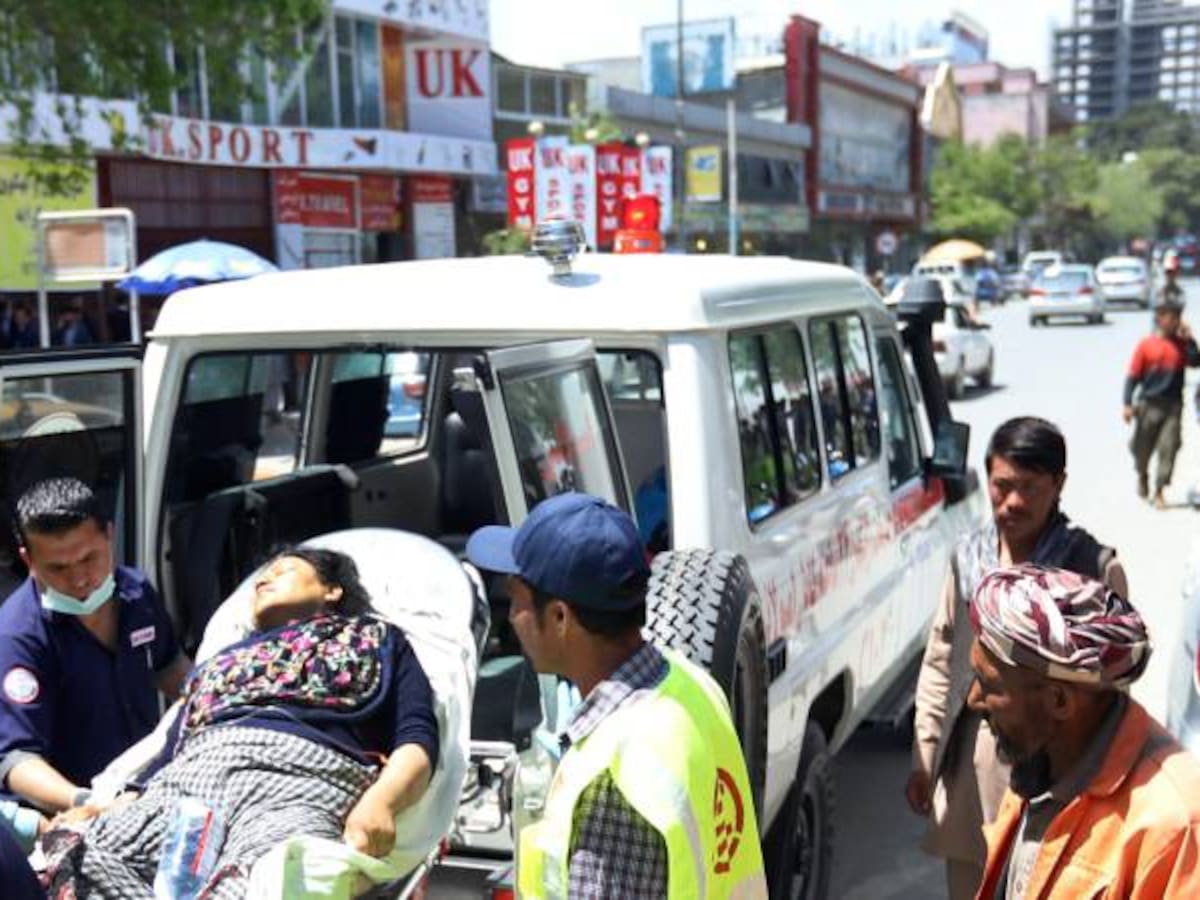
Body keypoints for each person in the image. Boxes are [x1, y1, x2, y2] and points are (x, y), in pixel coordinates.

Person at [42, 547, 439, 897]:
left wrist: (381, 801)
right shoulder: (221, 662)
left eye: (282, 571)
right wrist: (108, 807)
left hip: (296, 778)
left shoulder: (376, 639)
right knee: (78, 854)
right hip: (192, 779)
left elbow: (417, 737)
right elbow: (170, 749)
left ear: (332, 590)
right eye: (262, 576)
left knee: (266, 879)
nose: (264, 579)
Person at [466, 493, 767, 899]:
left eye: (516, 599)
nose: (512, 618)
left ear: (559, 617)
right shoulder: (691, 684)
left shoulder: (612, 783)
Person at [906, 417, 1127, 900]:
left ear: (1059, 485)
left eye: (1029, 488)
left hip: (1058, 778)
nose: (1012, 502)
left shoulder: (1090, 571)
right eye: (1002, 486)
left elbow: (1112, 694)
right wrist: (925, 755)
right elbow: (943, 657)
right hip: (976, 769)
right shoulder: (970, 559)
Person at [969, 565, 1200, 898]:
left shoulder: (1176, 827)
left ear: (1059, 700)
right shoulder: (1038, 760)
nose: (973, 699)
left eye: (988, 683)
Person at [0, 478, 191, 815]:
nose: (79, 579)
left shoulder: (137, 593)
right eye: (57, 568)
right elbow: (16, 761)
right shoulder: (16, 637)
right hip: (70, 814)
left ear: (109, 535)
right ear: (28, 560)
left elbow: (171, 668)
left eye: (89, 558)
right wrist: (86, 802)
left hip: (145, 792)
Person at [1123, 295, 1200, 507]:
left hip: (1173, 407)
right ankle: (1142, 475)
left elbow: (1195, 363)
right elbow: (1132, 377)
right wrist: (1127, 404)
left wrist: (1191, 340)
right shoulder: (1146, 345)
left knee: (1169, 448)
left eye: (1177, 317)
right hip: (1148, 405)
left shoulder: (1182, 345)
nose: (1173, 321)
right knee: (1141, 449)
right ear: (1159, 318)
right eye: (1169, 316)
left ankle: (1159, 490)